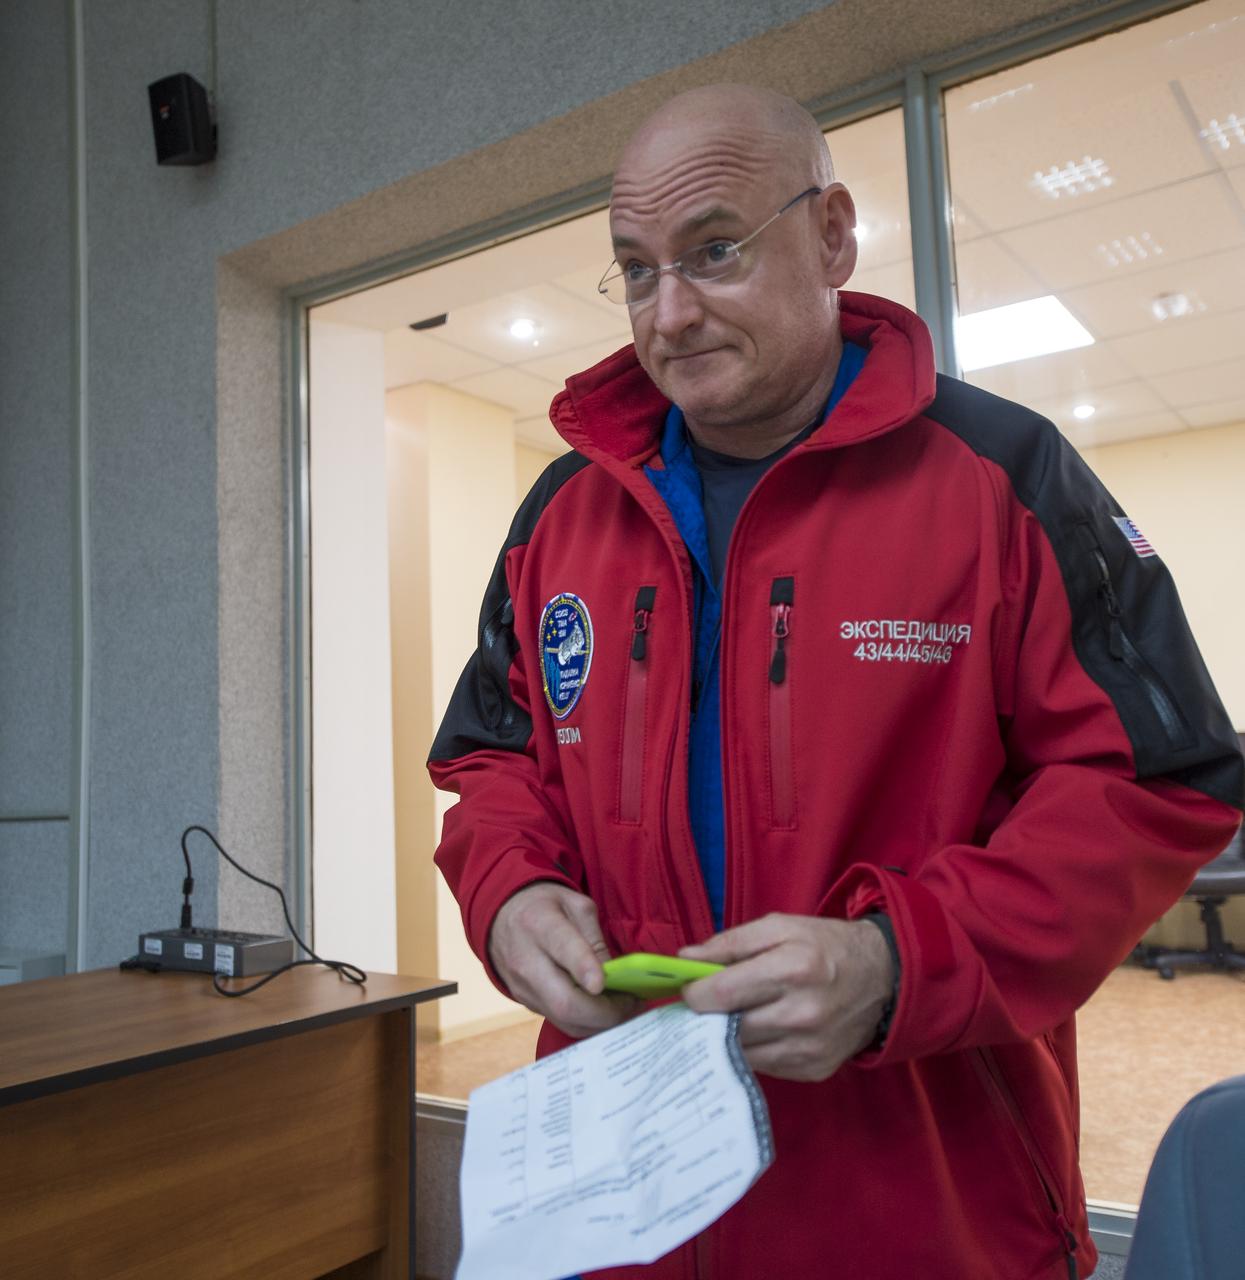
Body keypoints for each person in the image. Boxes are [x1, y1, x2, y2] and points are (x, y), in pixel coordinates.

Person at [429, 84, 1244, 1279]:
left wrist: (896, 961)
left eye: (713, 250)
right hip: (619, 1200)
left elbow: (1153, 786)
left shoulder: (1004, 478)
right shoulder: (564, 512)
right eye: (637, 269)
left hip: (917, 1202)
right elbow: (496, 760)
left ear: (832, 234)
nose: (671, 311)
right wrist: (508, 888)